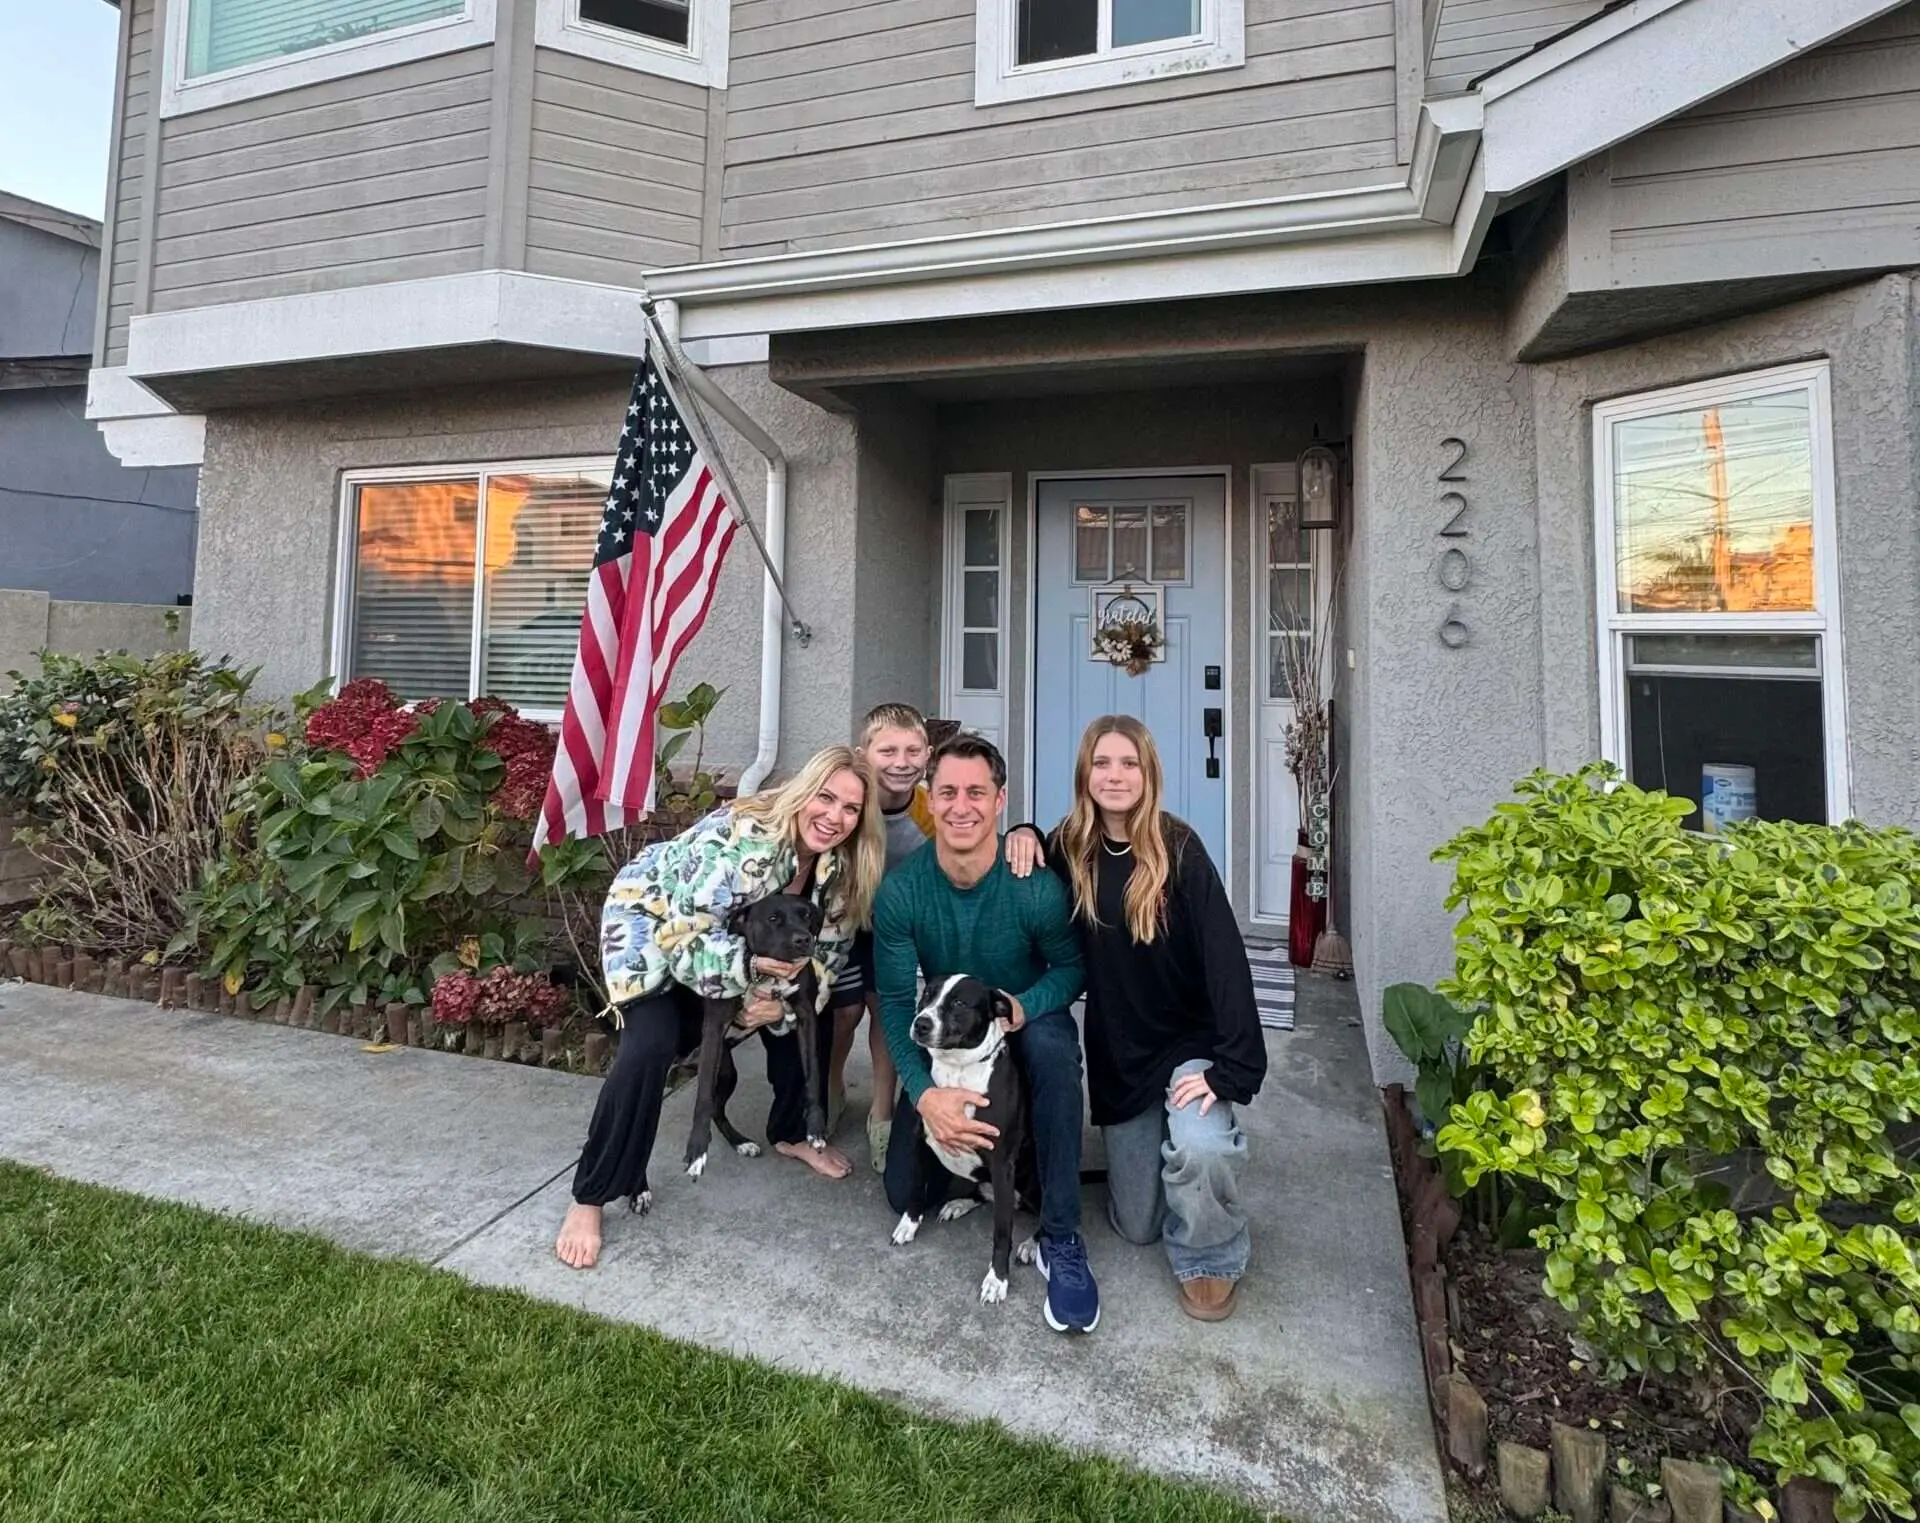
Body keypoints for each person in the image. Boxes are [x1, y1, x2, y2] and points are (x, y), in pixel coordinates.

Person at [554, 746, 886, 1270]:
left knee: (805, 1014)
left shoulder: (841, 868)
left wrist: (779, 1008)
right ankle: (590, 1196)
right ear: (803, 793)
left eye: (850, 808)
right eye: (826, 798)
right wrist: (747, 990)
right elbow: (681, 937)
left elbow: (828, 953)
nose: (835, 817)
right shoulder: (742, 838)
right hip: (651, 928)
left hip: (730, 951)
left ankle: (794, 1131)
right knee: (652, 1045)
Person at [1007, 715, 1265, 1322]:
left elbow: (1227, 962)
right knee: (1135, 1227)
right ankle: (1167, 1155)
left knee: (1200, 1153)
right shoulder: (1068, 846)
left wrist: (1231, 1069)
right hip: (1122, 1052)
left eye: (1129, 763)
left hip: (1189, 1046)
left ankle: (1212, 1257)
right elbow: (1023, 871)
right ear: (1084, 773)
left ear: (1148, 774)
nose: (1115, 775)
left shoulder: (1180, 849)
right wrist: (1019, 829)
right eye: (1102, 763)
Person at [872, 732, 1099, 1333]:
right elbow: (896, 1004)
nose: (961, 806)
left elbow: (1072, 967)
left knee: (1053, 1051)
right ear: (929, 797)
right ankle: (971, 1169)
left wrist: (1026, 1005)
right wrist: (924, 1095)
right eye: (947, 791)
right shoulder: (904, 892)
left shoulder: (1032, 883)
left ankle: (1060, 1234)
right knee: (902, 1192)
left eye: (976, 792)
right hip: (951, 1036)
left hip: (1022, 1018)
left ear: (1001, 801)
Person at [824, 702, 936, 1172]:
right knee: (842, 1011)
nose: (901, 761)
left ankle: (883, 1112)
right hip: (844, 921)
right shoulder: (849, 802)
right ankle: (829, 1093)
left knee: (886, 1011)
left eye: (913, 750)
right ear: (863, 753)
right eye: (887, 750)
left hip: (895, 927)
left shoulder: (929, 811)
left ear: (928, 754)